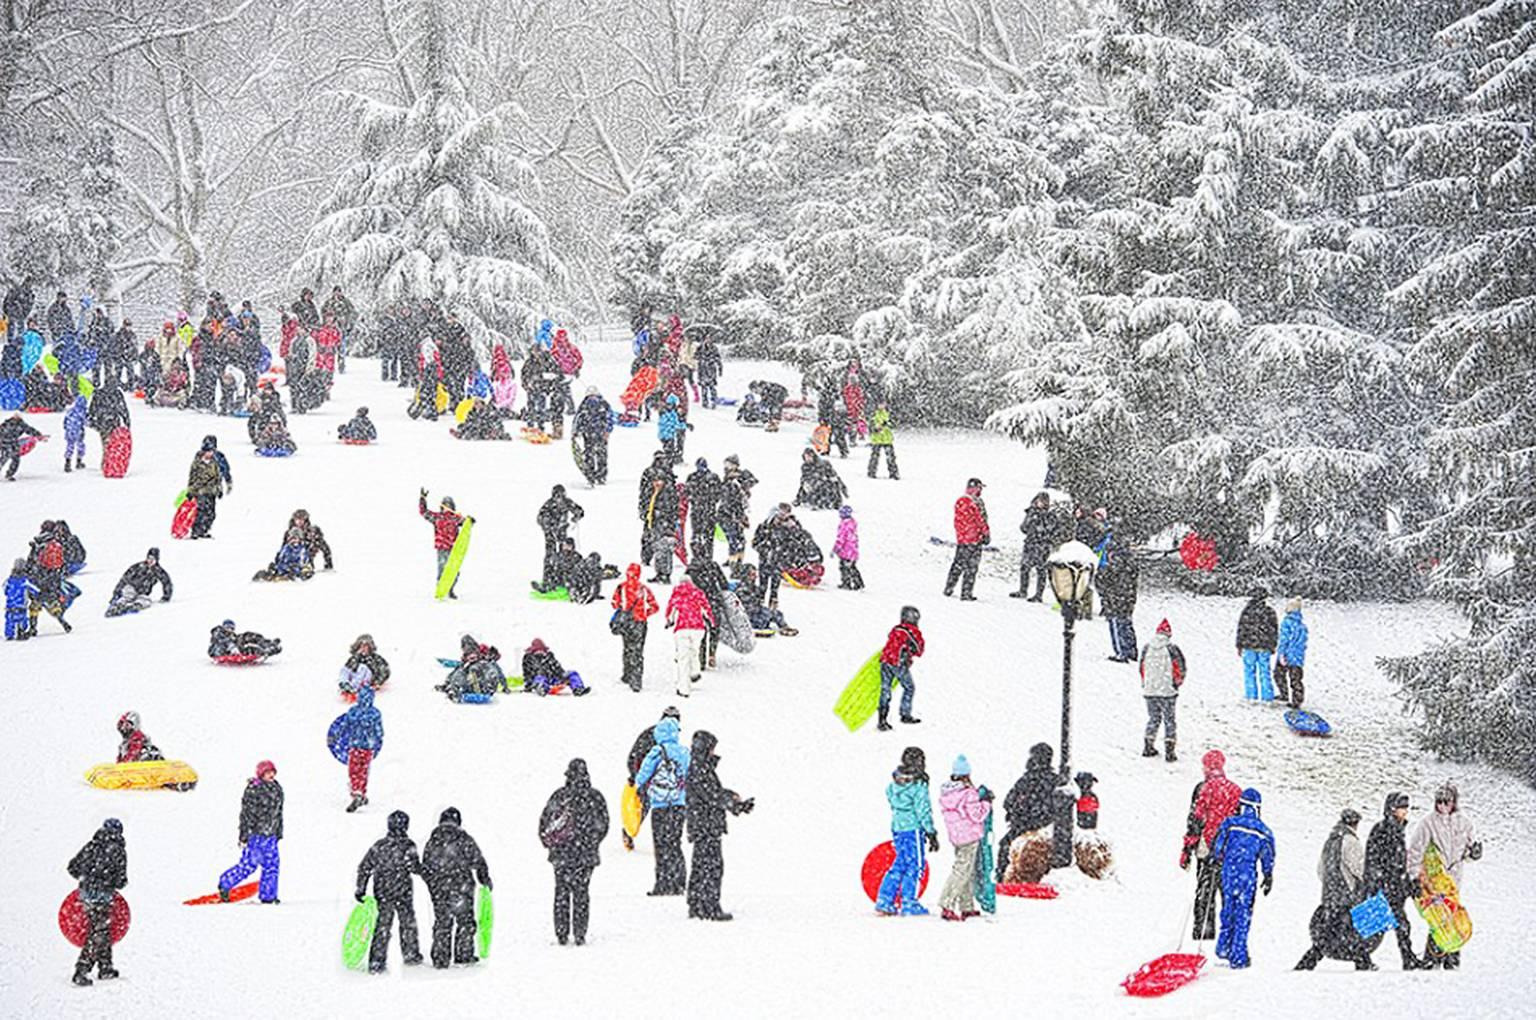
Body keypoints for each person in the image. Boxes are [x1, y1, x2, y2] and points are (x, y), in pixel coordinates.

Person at [1406, 781, 1480, 969]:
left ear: (1454, 802)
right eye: (1439, 802)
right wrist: (1414, 877)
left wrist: (1474, 854)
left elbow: (1467, 853)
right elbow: (1415, 851)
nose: (1442, 806)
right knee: (1438, 917)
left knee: (1453, 916)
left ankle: (1451, 959)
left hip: (1453, 879)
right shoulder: (1427, 823)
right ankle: (1432, 959)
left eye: (1447, 802)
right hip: (1433, 880)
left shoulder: (1465, 824)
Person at [1296, 808, 1376, 971]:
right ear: (1355, 823)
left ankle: (1307, 963)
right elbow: (1359, 868)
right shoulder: (1350, 841)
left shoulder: (1330, 840)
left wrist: (1329, 885)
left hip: (1329, 895)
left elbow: (1320, 869)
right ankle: (1363, 962)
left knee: (1329, 932)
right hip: (1347, 894)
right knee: (1354, 931)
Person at [539, 759, 609, 945]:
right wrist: (592, 843)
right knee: (582, 893)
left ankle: (561, 934)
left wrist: (552, 845)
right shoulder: (595, 797)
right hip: (586, 855)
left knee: (561, 891)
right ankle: (580, 933)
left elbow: (544, 823)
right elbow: (604, 825)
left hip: (561, 855)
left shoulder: (559, 796)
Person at [686, 730, 754, 921]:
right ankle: (709, 906)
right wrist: (733, 803)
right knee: (711, 866)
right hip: (706, 826)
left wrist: (732, 799)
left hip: (703, 825)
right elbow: (712, 795)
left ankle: (698, 904)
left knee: (702, 865)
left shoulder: (700, 768)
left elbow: (713, 792)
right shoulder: (700, 769)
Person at [1210, 787, 1276, 969]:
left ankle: (1223, 946)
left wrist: (1216, 858)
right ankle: (1238, 954)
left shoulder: (1230, 823)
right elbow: (1268, 856)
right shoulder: (1263, 831)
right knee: (1243, 914)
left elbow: (1218, 845)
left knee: (1227, 908)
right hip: (1247, 875)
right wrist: (1268, 875)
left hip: (1229, 872)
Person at [1180, 748, 1242, 940]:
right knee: (1228, 892)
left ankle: (1204, 932)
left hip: (1206, 847)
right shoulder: (1236, 790)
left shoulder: (1202, 788)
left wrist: (1187, 848)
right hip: (1229, 848)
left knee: (1205, 891)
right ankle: (1229, 935)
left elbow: (1195, 820)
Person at [1364, 792, 1429, 970]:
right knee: (1380, 926)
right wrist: (1378, 884)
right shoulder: (1383, 829)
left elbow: (1399, 864)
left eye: (1406, 807)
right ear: (1392, 809)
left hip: (1393, 887)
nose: (1405, 811)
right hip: (1386, 887)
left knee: (1399, 925)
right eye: (1402, 807)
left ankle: (1407, 959)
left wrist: (1409, 884)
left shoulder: (1398, 829)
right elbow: (1375, 860)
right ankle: (1362, 957)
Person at [355, 810, 425, 973]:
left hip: (382, 889)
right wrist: (428, 873)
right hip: (403, 890)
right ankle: (410, 953)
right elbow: (414, 867)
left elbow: (364, 867)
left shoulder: (379, 846)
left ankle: (377, 961)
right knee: (407, 922)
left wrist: (361, 888)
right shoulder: (408, 845)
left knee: (382, 925)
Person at [422, 807, 492, 967]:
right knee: (465, 920)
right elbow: (478, 860)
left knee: (442, 921)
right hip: (462, 885)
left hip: (439, 887)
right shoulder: (464, 838)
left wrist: (433, 883)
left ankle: (440, 957)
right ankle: (464, 954)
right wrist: (484, 879)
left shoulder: (433, 840)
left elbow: (425, 866)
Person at [876, 746, 938, 916]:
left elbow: (890, 796)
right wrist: (931, 831)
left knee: (899, 863)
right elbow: (923, 810)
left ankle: (885, 899)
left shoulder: (894, 784)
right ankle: (909, 902)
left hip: (898, 828)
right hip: (913, 829)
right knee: (915, 865)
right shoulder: (918, 785)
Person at [635, 714, 691, 895]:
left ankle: (663, 884)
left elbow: (641, 777)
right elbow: (692, 776)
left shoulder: (656, 752)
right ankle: (679, 883)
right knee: (675, 843)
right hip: (679, 805)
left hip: (659, 805)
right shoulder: (684, 753)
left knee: (661, 845)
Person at [67, 818, 127, 986]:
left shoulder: (91, 846)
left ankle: (105, 967)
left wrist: (87, 878)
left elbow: (72, 868)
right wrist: (108, 881)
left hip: (85, 896)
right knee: (98, 932)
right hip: (103, 897)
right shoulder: (118, 851)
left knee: (102, 930)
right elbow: (121, 880)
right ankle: (81, 970)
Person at [995, 742, 1066, 883]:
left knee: (1005, 846)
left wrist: (1018, 812)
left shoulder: (1028, 779)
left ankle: (1002, 877)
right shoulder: (1054, 780)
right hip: (1042, 826)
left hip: (1027, 826)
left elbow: (1008, 802)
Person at [217, 761, 284, 904]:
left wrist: (278, 831)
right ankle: (225, 883)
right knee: (249, 865)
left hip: (270, 835)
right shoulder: (254, 790)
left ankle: (268, 896)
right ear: (261, 775)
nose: (271, 775)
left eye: (272, 772)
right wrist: (244, 835)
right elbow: (246, 815)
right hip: (256, 835)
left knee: (272, 866)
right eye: (267, 773)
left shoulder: (277, 789)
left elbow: (278, 813)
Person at [938, 755, 992, 921]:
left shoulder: (948, 793)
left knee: (965, 870)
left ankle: (966, 906)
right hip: (970, 836)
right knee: (961, 871)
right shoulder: (968, 793)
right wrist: (986, 803)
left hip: (956, 836)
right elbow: (977, 816)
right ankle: (947, 903)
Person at [625, 707, 679, 850]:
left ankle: (664, 840)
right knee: (645, 806)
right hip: (648, 778)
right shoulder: (652, 735)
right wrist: (635, 776)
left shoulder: (670, 737)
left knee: (657, 808)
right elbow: (635, 755)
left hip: (660, 779)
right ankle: (630, 830)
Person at [1139, 619, 1186, 761]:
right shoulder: (1172, 648)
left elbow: (1142, 668)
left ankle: (1148, 745)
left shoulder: (1147, 647)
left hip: (1150, 690)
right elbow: (1180, 668)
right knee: (1169, 720)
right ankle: (1170, 750)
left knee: (1153, 718)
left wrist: (1145, 683)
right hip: (1167, 691)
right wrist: (1176, 684)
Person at [875, 605, 926, 730]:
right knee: (909, 687)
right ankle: (905, 714)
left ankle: (882, 719)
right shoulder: (913, 632)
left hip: (885, 660)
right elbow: (919, 650)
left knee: (885, 690)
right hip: (898, 663)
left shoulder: (896, 629)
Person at [611, 564, 658, 692]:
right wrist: (644, 614)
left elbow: (614, 603)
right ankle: (636, 680)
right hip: (640, 623)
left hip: (626, 623)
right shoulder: (643, 589)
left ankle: (627, 674)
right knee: (637, 651)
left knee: (627, 648)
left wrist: (624, 611)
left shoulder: (621, 587)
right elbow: (655, 606)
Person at [665, 576, 715, 698]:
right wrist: (711, 621)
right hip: (698, 628)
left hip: (682, 628)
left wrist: (669, 620)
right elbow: (706, 608)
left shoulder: (677, 594)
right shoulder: (697, 593)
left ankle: (684, 689)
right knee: (694, 651)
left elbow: (671, 610)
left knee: (683, 659)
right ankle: (695, 671)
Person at [944, 478, 990, 600]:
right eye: (979, 488)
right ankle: (966, 592)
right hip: (974, 539)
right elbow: (980, 520)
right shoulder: (972, 502)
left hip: (964, 539)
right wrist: (985, 533)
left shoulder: (963, 501)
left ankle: (949, 587)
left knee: (958, 565)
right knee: (971, 568)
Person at [342, 685, 384, 812]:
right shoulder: (375, 713)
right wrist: (377, 743)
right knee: (364, 771)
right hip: (368, 747)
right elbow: (379, 732)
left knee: (354, 770)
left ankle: (356, 791)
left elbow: (345, 727)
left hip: (354, 745)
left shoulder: (353, 712)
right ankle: (362, 791)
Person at [536, 485, 585, 591]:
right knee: (550, 557)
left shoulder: (567, 502)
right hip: (550, 535)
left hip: (562, 533)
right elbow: (540, 518)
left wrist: (576, 517)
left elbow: (579, 511)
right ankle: (548, 581)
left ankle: (563, 580)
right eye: (557, 496)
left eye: (561, 496)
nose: (559, 499)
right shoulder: (548, 505)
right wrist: (548, 526)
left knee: (565, 557)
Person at [419, 490, 467, 598]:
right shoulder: (437, 517)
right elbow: (424, 512)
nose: (447, 507)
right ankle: (440, 590)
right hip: (442, 548)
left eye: (449, 505)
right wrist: (423, 499)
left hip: (454, 549)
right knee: (442, 570)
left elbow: (466, 524)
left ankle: (451, 590)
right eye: (445, 505)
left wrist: (469, 520)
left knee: (454, 571)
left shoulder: (456, 518)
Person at [1097, 548, 1140, 663]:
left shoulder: (1112, 569)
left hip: (1115, 602)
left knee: (1117, 626)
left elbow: (1104, 583)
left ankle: (1122, 652)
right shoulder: (1130, 568)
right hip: (1126, 601)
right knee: (1127, 625)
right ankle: (1131, 651)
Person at [1012, 493, 1057, 599]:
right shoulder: (1031, 512)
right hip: (1030, 543)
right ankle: (1023, 590)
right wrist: (1030, 522)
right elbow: (1023, 527)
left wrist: (1040, 527)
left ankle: (1038, 594)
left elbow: (1051, 530)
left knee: (1041, 570)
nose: (1041, 503)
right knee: (1025, 567)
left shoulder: (1049, 515)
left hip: (1042, 545)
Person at [1236, 588, 1278, 701]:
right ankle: (1267, 696)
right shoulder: (1269, 612)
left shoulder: (1247, 612)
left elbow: (1241, 629)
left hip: (1248, 645)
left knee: (1249, 671)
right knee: (1265, 672)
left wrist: (1239, 645)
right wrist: (1273, 645)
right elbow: (1274, 630)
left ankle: (1251, 695)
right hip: (1264, 646)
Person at [186, 437, 231, 539]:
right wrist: (191, 491)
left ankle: (205, 530)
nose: (209, 454)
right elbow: (193, 477)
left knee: (211, 513)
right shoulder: (197, 463)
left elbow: (218, 477)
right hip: (200, 491)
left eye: (211, 451)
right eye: (207, 452)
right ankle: (196, 531)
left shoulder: (215, 462)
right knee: (201, 512)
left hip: (212, 491)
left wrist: (219, 489)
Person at [641, 467, 680, 584]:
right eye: (654, 481)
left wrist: (666, 522)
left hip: (664, 526)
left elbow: (671, 511)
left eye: (659, 480)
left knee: (665, 550)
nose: (656, 483)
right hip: (655, 524)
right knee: (657, 549)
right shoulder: (653, 492)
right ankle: (659, 572)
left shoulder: (667, 493)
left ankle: (665, 574)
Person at [735, 565, 798, 636]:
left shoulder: (754, 587)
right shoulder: (742, 590)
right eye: (753, 575)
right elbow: (748, 608)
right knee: (763, 619)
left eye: (755, 574)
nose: (755, 577)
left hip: (755, 612)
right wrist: (762, 609)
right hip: (747, 616)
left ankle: (784, 627)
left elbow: (757, 602)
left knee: (776, 613)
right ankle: (760, 627)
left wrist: (771, 609)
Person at [719, 456, 756, 576]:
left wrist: (743, 484)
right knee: (734, 540)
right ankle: (734, 564)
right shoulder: (727, 481)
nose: (726, 467)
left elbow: (752, 482)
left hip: (734, 514)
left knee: (737, 540)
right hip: (728, 514)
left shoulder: (738, 479)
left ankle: (736, 564)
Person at [440, 635, 506, 700]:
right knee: (460, 672)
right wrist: (447, 684)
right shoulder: (465, 665)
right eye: (469, 655)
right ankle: (454, 691)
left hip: (484, 687)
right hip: (470, 687)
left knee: (477, 669)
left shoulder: (486, 663)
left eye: (473, 654)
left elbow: (496, 672)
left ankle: (485, 689)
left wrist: (504, 686)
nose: (472, 657)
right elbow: (455, 674)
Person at [522, 637, 589, 696]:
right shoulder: (528, 659)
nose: (540, 652)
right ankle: (542, 688)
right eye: (537, 650)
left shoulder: (549, 657)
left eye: (541, 650)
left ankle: (578, 688)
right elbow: (527, 674)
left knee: (572, 673)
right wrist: (529, 685)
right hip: (537, 680)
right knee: (540, 677)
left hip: (553, 679)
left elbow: (558, 669)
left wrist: (564, 678)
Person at [573, 387, 613, 485]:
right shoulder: (603, 404)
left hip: (591, 432)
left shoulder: (585, 405)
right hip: (596, 432)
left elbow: (578, 419)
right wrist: (607, 430)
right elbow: (610, 418)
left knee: (591, 453)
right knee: (599, 454)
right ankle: (599, 475)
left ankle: (592, 474)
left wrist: (577, 431)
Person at [685, 459, 722, 562]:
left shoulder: (711, 478)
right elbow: (687, 493)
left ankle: (706, 556)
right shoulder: (694, 477)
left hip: (706, 510)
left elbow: (719, 493)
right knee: (698, 535)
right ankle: (700, 555)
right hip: (701, 510)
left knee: (706, 536)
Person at [1276, 597, 1309, 707]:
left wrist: (1281, 653)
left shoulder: (1286, 623)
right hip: (1298, 656)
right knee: (1296, 679)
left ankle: (1284, 693)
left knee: (1278, 674)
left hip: (1286, 654)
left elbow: (1283, 639)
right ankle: (1297, 700)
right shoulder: (1302, 625)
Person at [0, 412, 44, 481]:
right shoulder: (6, 424)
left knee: (16, 460)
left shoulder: (21, 424)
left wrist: (38, 434)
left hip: (14, 444)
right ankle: (9, 474)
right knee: (4, 459)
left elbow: (29, 430)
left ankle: (9, 474)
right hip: (5, 444)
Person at [208, 620, 283, 659]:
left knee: (248, 636)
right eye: (228, 627)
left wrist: (243, 638)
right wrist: (232, 647)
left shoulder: (232, 636)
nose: (230, 629)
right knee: (244, 646)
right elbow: (223, 641)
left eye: (232, 628)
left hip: (235, 652)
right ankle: (263, 651)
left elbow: (236, 641)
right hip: (220, 652)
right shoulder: (218, 632)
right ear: (223, 627)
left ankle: (267, 645)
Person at [5, 558, 39, 640]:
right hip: (21, 605)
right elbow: (34, 590)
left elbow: (5, 590)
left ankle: (9, 634)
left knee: (10, 620)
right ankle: (22, 631)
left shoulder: (9, 580)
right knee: (22, 619)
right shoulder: (25, 581)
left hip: (10, 605)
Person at [833, 504, 863, 590]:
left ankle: (846, 583)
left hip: (845, 551)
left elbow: (841, 538)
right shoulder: (852, 524)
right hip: (853, 551)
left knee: (844, 567)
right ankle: (858, 583)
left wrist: (836, 548)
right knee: (852, 567)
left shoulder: (844, 525)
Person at [867, 403, 898, 479]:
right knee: (874, 456)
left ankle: (893, 472)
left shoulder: (889, 413)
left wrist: (887, 424)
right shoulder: (873, 414)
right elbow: (870, 426)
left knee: (891, 457)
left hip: (887, 439)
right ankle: (871, 471)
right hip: (876, 439)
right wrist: (875, 428)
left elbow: (894, 424)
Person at [696, 332, 722, 408]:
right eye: (707, 338)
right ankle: (705, 402)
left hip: (711, 369)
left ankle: (714, 401)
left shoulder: (714, 348)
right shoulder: (700, 347)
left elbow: (718, 358)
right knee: (703, 387)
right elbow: (696, 356)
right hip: (702, 369)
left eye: (709, 338)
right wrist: (701, 358)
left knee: (712, 387)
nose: (708, 340)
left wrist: (720, 369)